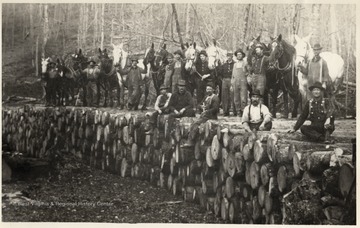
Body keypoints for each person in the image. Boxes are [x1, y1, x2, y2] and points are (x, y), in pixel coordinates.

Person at [232, 49, 249, 116]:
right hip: (235, 82)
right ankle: (238, 111)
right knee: (236, 98)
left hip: (243, 82)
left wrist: (246, 79)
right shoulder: (235, 64)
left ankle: (243, 111)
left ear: (242, 55)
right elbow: (232, 75)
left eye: (240, 54)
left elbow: (248, 72)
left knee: (243, 97)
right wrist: (232, 84)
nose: (239, 56)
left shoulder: (245, 63)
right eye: (238, 55)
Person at [217, 51, 235, 116]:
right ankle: (225, 111)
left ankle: (234, 111)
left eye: (230, 56)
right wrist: (222, 79)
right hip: (224, 80)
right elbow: (219, 73)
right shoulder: (224, 65)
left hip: (232, 80)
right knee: (224, 96)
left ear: (232, 57)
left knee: (233, 95)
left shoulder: (234, 64)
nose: (229, 58)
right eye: (228, 56)